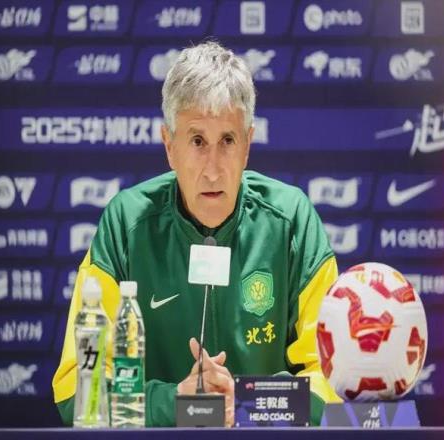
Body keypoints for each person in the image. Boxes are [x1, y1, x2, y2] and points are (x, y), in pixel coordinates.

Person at [52, 41, 341, 427]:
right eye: (197, 141)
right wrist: (175, 403)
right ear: (169, 146)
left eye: (227, 141)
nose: (213, 169)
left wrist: (248, 401)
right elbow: (78, 391)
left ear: (248, 145)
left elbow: (332, 382)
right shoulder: (125, 225)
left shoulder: (292, 222)